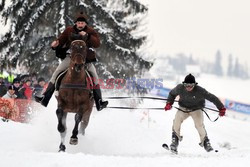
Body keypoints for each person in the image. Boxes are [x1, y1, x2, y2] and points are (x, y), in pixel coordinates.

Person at [35, 11, 108, 111]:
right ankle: (45, 98)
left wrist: (87, 36)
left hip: (86, 59)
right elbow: (61, 39)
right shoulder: (69, 30)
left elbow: (97, 43)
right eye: (78, 23)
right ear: (76, 23)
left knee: (95, 77)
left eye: (82, 23)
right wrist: (56, 43)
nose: (80, 25)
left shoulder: (90, 31)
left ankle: (99, 101)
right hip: (71, 58)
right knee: (56, 73)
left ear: (85, 24)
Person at [164, 73, 226, 153]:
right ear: (184, 84)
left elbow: (212, 98)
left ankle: (206, 143)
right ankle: (175, 141)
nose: (188, 87)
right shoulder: (180, 88)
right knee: (176, 121)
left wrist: (221, 108)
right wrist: (169, 103)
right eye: (186, 85)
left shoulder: (200, 90)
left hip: (196, 109)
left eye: (191, 85)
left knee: (199, 125)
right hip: (183, 109)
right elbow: (172, 94)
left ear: (195, 85)